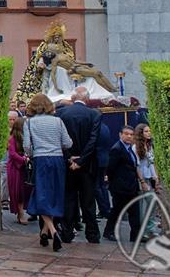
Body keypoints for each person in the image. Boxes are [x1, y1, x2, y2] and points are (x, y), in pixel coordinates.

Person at [24, 94, 73, 252]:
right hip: (57, 159)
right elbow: (67, 142)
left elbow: (27, 147)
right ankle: (44, 232)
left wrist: (33, 151)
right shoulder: (58, 121)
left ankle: (52, 231)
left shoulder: (29, 122)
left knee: (41, 194)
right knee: (54, 193)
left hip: (41, 159)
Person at [56, 86, 102, 243]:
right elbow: (93, 140)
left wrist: (70, 158)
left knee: (68, 198)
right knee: (88, 201)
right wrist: (81, 160)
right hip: (87, 165)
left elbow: (60, 139)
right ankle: (92, 234)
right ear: (87, 99)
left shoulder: (62, 113)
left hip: (68, 164)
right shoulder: (94, 114)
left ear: (73, 98)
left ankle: (67, 232)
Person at [104, 126, 142, 242]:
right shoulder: (117, 149)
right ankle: (109, 231)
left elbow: (133, 165)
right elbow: (111, 168)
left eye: (131, 134)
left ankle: (135, 236)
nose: (129, 136)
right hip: (120, 187)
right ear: (120, 134)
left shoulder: (129, 149)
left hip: (131, 186)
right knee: (117, 211)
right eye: (126, 134)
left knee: (134, 212)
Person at [134, 123, 160, 239]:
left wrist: (156, 177)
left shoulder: (150, 145)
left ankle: (149, 228)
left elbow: (153, 163)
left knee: (152, 204)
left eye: (149, 131)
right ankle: (144, 231)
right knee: (146, 205)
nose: (149, 133)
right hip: (142, 179)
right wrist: (142, 181)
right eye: (146, 131)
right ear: (140, 133)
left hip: (150, 178)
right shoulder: (136, 147)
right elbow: (137, 166)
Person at [7, 116, 32, 225]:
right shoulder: (12, 138)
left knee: (24, 190)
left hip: (23, 167)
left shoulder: (25, 137)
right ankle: (20, 213)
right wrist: (23, 159)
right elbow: (12, 154)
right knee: (18, 191)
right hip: (15, 168)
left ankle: (22, 212)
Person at [95, 120, 113, 219]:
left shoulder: (95, 128)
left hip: (97, 159)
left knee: (97, 186)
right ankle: (106, 207)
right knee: (102, 185)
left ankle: (103, 209)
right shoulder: (105, 127)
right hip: (105, 158)